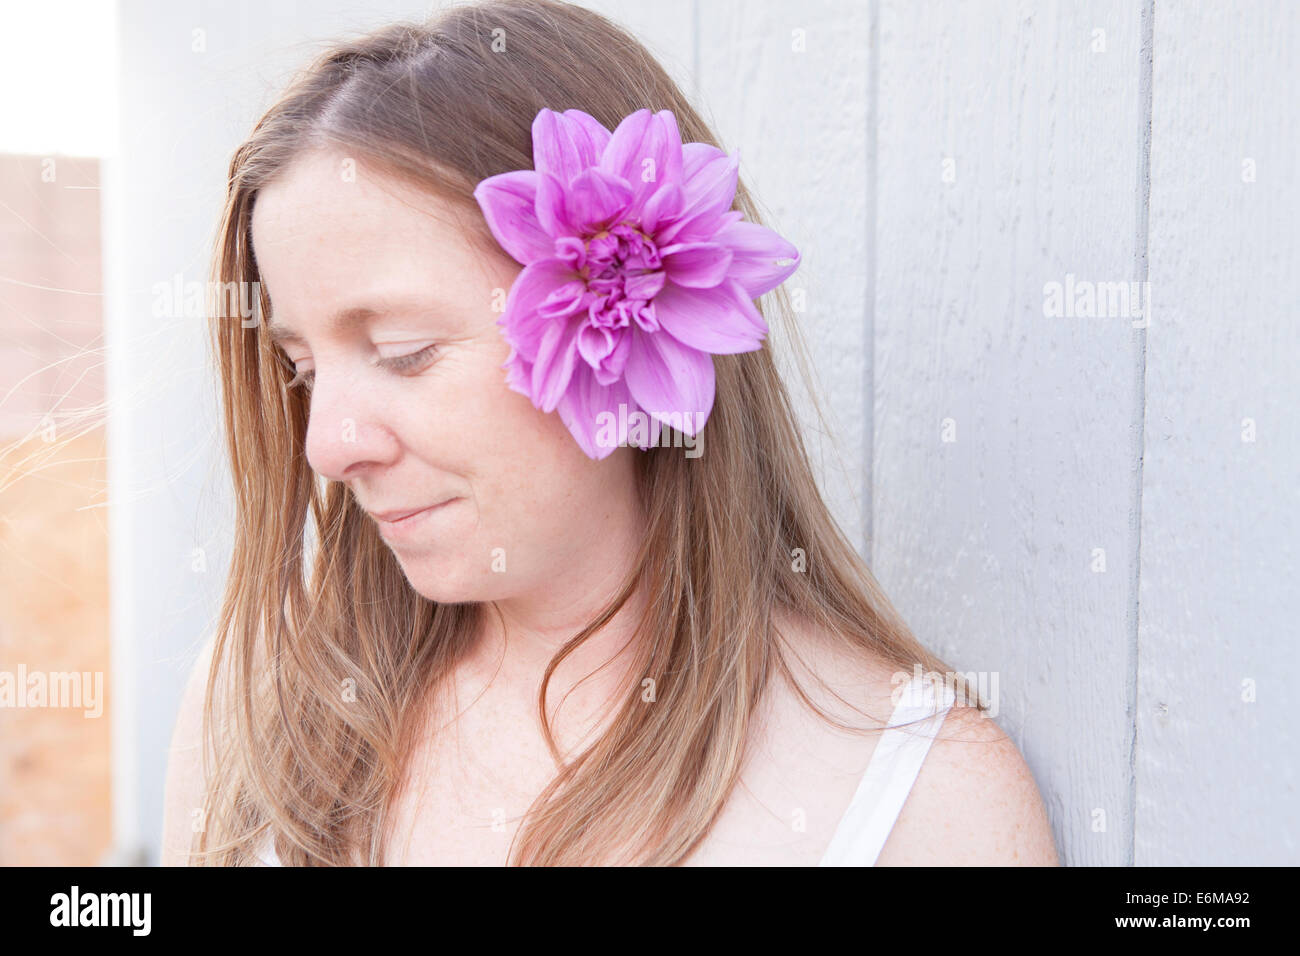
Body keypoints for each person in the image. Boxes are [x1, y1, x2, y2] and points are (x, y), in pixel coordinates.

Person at [161, 0, 1058, 867]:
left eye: (404, 353)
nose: (328, 445)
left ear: (640, 326)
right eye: (304, 371)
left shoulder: (923, 798)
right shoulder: (265, 703)